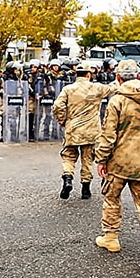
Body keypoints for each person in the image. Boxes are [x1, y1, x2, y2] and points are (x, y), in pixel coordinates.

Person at [94, 59, 140, 269]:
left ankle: (111, 237)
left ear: (118, 78)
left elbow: (108, 135)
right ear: (139, 76)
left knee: (111, 198)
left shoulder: (117, 101)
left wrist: (101, 159)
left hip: (119, 163)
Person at [53, 63, 118, 200]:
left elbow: (58, 105)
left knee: (68, 156)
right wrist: (119, 78)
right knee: (87, 159)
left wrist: (63, 121)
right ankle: (85, 189)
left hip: (73, 129)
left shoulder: (68, 89)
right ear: (89, 74)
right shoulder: (97, 88)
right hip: (91, 130)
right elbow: (113, 88)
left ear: (76, 74)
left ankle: (68, 177)